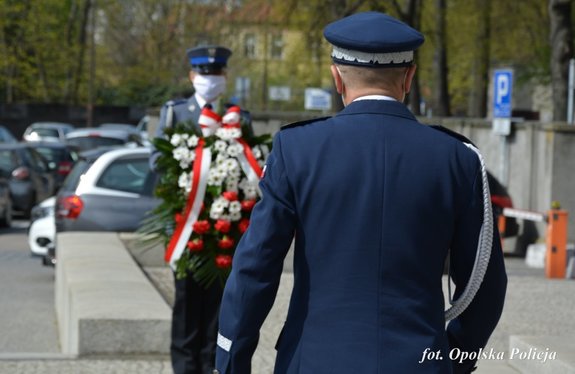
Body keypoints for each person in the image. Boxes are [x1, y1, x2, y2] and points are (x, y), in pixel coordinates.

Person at [214, 11, 507, 374]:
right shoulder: (457, 158)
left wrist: (231, 361)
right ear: (409, 77)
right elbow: (485, 287)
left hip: (314, 362)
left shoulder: (297, 149)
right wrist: (451, 360)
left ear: (336, 77)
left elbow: (255, 268)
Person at [151, 45, 252, 374]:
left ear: (225, 76)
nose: (210, 79)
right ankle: (184, 368)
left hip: (227, 229)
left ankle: (212, 366)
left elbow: (252, 167)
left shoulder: (238, 117)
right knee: (186, 307)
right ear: (192, 75)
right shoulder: (176, 113)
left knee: (218, 309)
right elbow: (157, 162)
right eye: (204, 73)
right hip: (187, 228)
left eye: (216, 73)